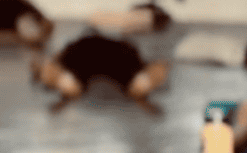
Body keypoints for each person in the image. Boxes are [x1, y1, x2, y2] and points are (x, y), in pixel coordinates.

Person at [32, 33, 169, 104]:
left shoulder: (71, 53)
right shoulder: (72, 53)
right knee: (138, 85)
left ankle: (51, 71)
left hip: (89, 54)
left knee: (70, 86)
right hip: (108, 54)